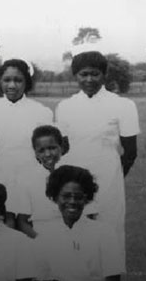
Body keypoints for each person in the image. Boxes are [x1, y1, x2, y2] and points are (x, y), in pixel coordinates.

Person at [54, 46, 139, 266]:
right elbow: (63, 147)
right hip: (75, 178)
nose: (89, 79)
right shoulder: (65, 107)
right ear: (76, 76)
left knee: (109, 229)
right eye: (83, 74)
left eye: (95, 73)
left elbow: (130, 152)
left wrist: (114, 174)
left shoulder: (123, 105)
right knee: (76, 228)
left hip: (109, 178)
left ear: (104, 75)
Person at [33, 166, 123, 281]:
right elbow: (35, 279)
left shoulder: (104, 232)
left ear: (86, 198)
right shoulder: (46, 235)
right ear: (55, 197)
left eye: (78, 196)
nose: (72, 202)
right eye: (66, 196)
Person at [10, 125, 98, 239]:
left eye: (52, 148)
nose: (47, 154)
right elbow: (22, 222)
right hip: (43, 238)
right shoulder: (27, 180)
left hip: (77, 237)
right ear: (35, 153)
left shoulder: (77, 174)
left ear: (61, 147)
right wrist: (41, 240)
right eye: (41, 150)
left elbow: (90, 214)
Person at [0, 59, 53, 175]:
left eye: (18, 80)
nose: (12, 85)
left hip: (31, 175)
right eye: (7, 80)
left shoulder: (42, 112)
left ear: (26, 82)